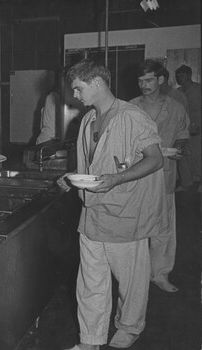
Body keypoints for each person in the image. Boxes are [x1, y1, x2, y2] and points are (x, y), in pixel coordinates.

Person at [60, 59, 167, 350]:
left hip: (124, 214)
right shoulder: (87, 120)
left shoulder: (131, 116)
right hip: (92, 213)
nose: (76, 96)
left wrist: (117, 179)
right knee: (90, 283)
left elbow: (155, 159)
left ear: (96, 82)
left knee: (130, 282)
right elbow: (91, 165)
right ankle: (90, 340)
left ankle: (130, 327)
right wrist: (70, 178)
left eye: (78, 89)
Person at [129, 59, 190, 293]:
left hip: (164, 175)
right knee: (137, 227)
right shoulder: (130, 108)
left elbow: (183, 133)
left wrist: (180, 148)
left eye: (148, 80)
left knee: (164, 228)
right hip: (137, 177)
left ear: (161, 79)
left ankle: (160, 274)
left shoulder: (175, 107)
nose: (143, 84)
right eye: (140, 80)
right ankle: (136, 275)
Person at [160, 67, 192, 191]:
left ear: (162, 80)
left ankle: (186, 187)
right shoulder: (156, 98)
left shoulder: (178, 96)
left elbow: (184, 118)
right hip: (163, 138)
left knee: (182, 162)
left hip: (178, 134)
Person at [175, 64, 201, 187]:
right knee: (184, 156)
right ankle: (186, 183)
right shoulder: (178, 92)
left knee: (198, 156)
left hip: (198, 129)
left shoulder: (198, 89)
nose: (180, 78)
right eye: (178, 75)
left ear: (189, 75)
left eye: (182, 75)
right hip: (183, 129)